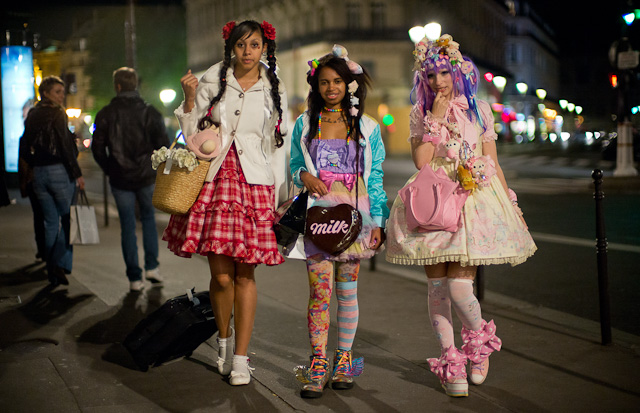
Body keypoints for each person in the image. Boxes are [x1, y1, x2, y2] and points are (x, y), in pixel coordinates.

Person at [385, 34, 537, 397]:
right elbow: (422, 162)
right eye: (430, 74)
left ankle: (479, 345)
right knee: (437, 288)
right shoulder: (421, 112)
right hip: (433, 200)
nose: (438, 81)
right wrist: (435, 119)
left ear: (457, 71)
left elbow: (494, 163)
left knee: (458, 286)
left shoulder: (479, 110)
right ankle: (450, 361)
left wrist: (512, 206)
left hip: (472, 201)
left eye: (443, 72)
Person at [162, 20, 289, 386]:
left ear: (264, 48)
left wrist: (279, 197)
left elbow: (275, 145)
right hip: (215, 181)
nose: (247, 52)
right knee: (220, 276)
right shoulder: (213, 78)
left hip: (254, 185)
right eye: (241, 45)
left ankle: (240, 358)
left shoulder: (273, 85)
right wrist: (188, 100)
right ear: (231, 47)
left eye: (254, 45)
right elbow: (192, 134)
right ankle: (223, 340)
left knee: (245, 274)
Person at [289, 46, 389, 398]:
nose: (331, 88)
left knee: (348, 292)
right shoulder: (304, 123)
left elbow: (375, 176)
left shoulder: (368, 126)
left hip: (354, 221)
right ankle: (317, 362)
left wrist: (378, 221)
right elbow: (292, 165)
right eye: (324, 82)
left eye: (337, 81)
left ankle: (344, 359)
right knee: (320, 293)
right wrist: (303, 175)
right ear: (315, 87)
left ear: (350, 84)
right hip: (318, 218)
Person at [92, 67, 170, 292]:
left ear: (117, 86)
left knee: (127, 225)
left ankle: (134, 278)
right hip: (146, 177)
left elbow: (98, 149)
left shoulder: (105, 114)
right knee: (148, 220)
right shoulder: (150, 112)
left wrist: (110, 169)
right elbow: (163, 145)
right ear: (135, 85)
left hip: (120, 179)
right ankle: (152, 267)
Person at [19, 75, 85, 286]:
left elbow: (24, 144)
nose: (61, 96)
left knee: (49, 222)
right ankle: (59, 264)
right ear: (45, 93)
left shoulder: (32, 115)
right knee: (67, 220)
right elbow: (66, 148)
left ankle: (51, 266)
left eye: (62, 92)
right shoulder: (58, 114)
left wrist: (32, 164)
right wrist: (77, 173)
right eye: (57, 92)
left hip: (39, 173)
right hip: (59, 172)